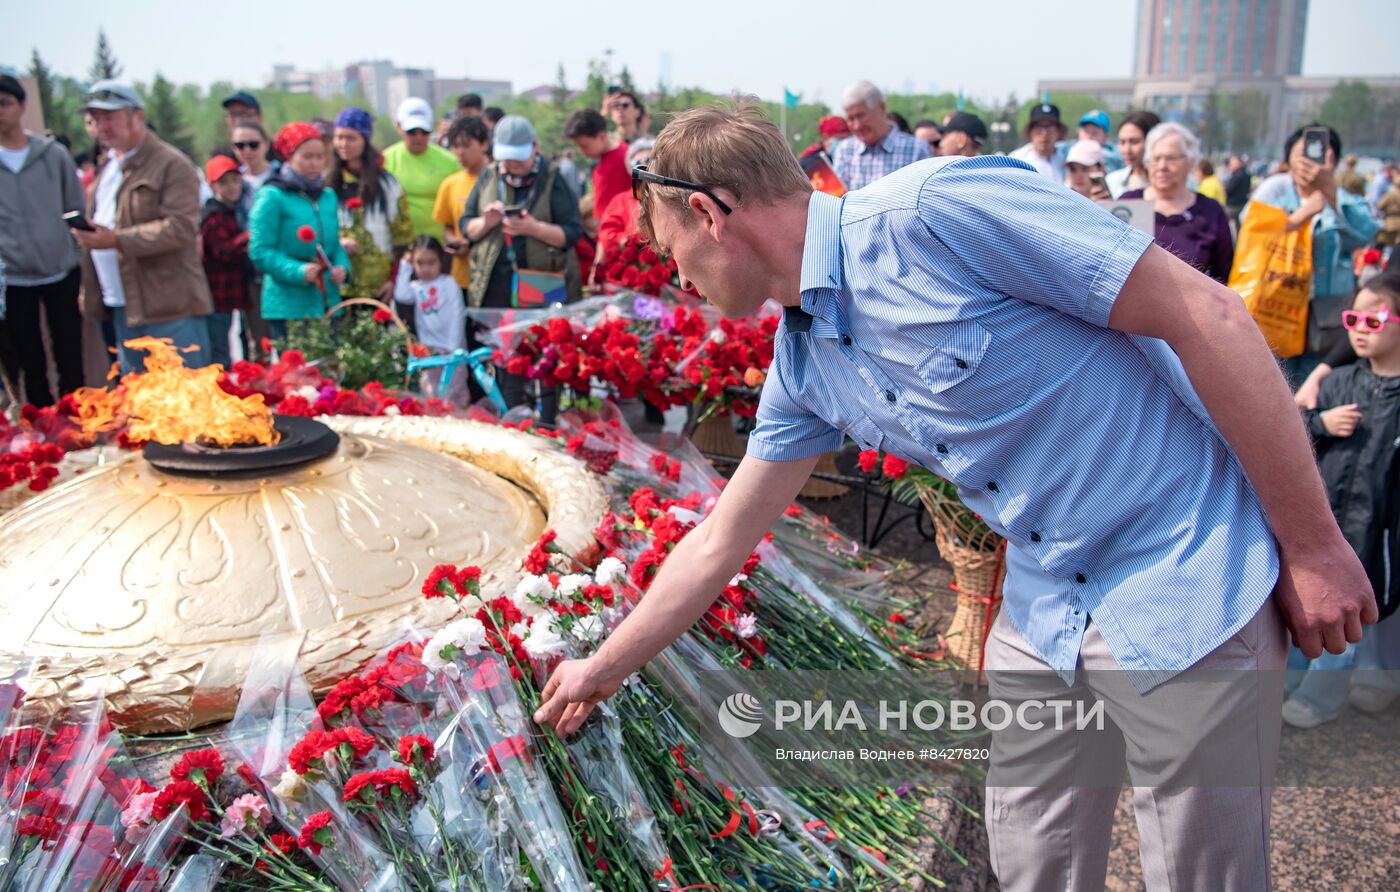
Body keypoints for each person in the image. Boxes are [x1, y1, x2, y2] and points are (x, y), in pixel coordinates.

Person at [533, 102, 1375, 891]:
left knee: (1204, 870)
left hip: (1181, 569)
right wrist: (602, 668)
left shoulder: (937, 211)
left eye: (667, 247)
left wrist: (1312, 546)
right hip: (1045, 610)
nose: (673, 277)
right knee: (1031, 858)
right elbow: (721, 539)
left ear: (713, 214)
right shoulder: (805, 363)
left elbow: (1210, 317)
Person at [1286, 273, 1400, 728]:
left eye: (1374, 319)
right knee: (1315, 605)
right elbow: (1293, 441)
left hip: (1380, 528)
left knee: (1353, 611)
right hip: (1329, 520)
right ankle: (1296, 682)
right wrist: (1321, 424)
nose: (1359, 328)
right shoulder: (1338, 384)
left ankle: (1321, 697)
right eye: (1354, 318)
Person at [71, 81, 213, 373]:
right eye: (95, 118)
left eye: (109, 116)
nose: (101, 125)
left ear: (137, 116)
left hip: (169, 305)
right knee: (140, 401)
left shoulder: (171, 164)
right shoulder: (107, 166)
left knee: (186, 399)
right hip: (122, 302)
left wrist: (115, 240)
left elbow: (180, 228)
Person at [459, 115, 581, 419]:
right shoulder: (488, 177)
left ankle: (548, 421)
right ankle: (512, 419)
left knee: (544, 356)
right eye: (506, 159)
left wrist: (534, 228)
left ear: (535, 149)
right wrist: (485, 223)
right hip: (495, 289)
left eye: (518, 159)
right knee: (504, 359)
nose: (511, 166)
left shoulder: (552, 178)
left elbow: (572, 233)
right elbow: (466, 227)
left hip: (542, 283)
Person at [1250, 124, 1379, 382]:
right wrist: (1300, 215)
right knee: (1276, 384)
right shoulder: (1274, 194)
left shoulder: (1344, 201)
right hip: (1276, 313)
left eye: (1321, 154)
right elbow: (1250, 238)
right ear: (1288, 159)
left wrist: (1329, 192)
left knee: (1317, 390)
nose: (1309, 161)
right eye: (1302, 154)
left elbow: (1366, 233)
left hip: (1327, 321)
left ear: (1335, 161)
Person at [0, 74, 85, 406]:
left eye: (5, 103)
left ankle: (79, 424)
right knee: (29, 361)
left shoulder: (53, 155)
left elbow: (74, 208)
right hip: (14, 276)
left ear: (23, 106)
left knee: (69, 355)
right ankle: (43, 432)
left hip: (60, 269)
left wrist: (70, 253)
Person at [249, 122, 350, 341]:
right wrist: (297, 270)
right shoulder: (272, 196)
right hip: (288, 304)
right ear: (289, 156)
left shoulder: (328, 196)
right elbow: (260, 250)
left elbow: (333, 245)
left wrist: (342, 266)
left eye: (320, 157)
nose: (315, 163)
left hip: (327, 300)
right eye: (307, 157)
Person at [1119, 123, 1235, 284]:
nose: (1162, 166)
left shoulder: (1210, 211)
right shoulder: (1128, 203)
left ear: (1190, 162)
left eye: (1171, 158)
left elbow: (1224, 274)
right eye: (1156, 159)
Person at [329, 107, 412, 302]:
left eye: (351, 138)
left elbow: (402, 238)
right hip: (337, 285)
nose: (343, 144)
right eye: (339, 137)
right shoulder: (327, 184)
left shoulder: (387, 184)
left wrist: (393, 279)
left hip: (377, 285)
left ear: (365, 140)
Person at [831, 81, 931, 191]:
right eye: (850, 119)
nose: (857, 126)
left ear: (881, 108)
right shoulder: (845, 151)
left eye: (861, 116)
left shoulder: (916, 150)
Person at [382, 98, 459, 240]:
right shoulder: (385, 160)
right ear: (399, 127)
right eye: (412, 132)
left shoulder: (450, 161)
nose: (418, 138)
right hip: (401, 246)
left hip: (441, 247)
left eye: (424, 132)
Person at [199, 155, 250, 368]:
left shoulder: (231, 212)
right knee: (219, 349)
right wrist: (249, 237)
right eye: (224, 182)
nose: (231, 187)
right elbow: (224, 251)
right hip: (217, 295)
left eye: (235, 181)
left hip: (229, 294)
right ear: (212, 186)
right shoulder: (214, 216)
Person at [432, 115, 491, 291]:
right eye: (456, 146)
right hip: (461, 277)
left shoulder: (497, 181)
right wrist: (456, 242)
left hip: (491, 275)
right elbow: (448, 226)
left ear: (484, 145)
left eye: (466, 145)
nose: (460, 152)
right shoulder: (449, 184)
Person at [393, 235, 465, 359]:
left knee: (452, 378)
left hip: (453, 349)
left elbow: (458, 314)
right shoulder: (416, 287)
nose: (426, 268)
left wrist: (453, 347)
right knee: (429, 378)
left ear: (440, 260)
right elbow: (401, 296)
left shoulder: (448, 283)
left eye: (431, 262)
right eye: (420, 263)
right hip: (428, 348)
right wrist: (405, 266)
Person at [564, 108, 630, 220]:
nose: (582, 152)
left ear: (601, 137)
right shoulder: (609, 157)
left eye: (584, 146)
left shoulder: (621, 160)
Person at [596, 137, 654, 264]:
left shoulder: (670, 194)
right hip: (633, 265)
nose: (643, 167)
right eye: (637, 163)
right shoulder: (620, 201)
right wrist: (624, 241)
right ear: (630, 169)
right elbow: (607, 232)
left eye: (649, 161)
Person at [1105, 110, 1161, 198]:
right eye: (1122, 142)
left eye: (1134, 142)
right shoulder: (1112, 181)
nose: (1127, 150)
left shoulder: (1176, 182)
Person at [1009, 102, 1066, 182]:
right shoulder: (1016, 161)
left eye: (1050, 127)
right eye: (1039, 126)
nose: (1044, 133)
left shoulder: (1067, 161)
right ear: (1030, 131)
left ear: (1059, 131)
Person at [1223, 154, 1252, 225]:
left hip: (1233, 206)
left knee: (1220, 218)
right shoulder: (1246, 174)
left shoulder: (1238, 175)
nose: (1231, 165)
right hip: (1242, 204)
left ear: (1239, 163)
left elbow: (1228, 189)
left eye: (1232, 164)